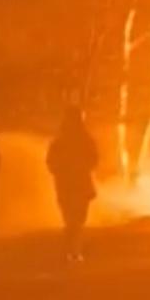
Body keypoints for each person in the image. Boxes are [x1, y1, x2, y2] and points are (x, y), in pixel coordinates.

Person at [46, 106, 98, 262]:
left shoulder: (67, 141)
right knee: (74, 219)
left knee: (74, 218)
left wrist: (62, 170)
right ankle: (73, 248)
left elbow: (93, 159)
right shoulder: (65, 141)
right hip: (72, 184)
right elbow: (51, 162)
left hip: (71, 184)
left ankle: (71, 247)